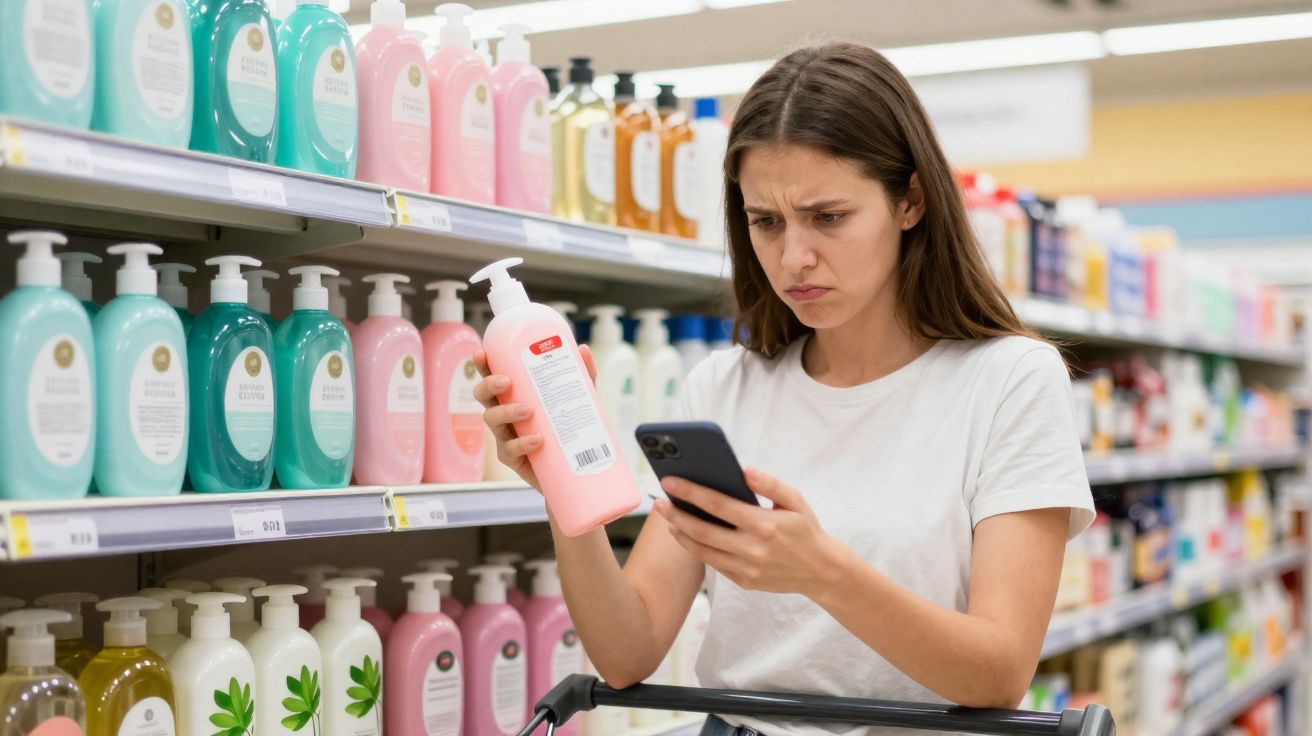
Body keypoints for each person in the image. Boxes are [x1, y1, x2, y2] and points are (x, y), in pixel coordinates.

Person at [474, 41, 1094, 736]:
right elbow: (626, 654)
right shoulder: (722, 388)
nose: (794, 257)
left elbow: (1000, 671)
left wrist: (821, 571)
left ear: (910, 202)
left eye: (828, 217)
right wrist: (563, 482)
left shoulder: (1010, 381)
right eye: (765, 222)